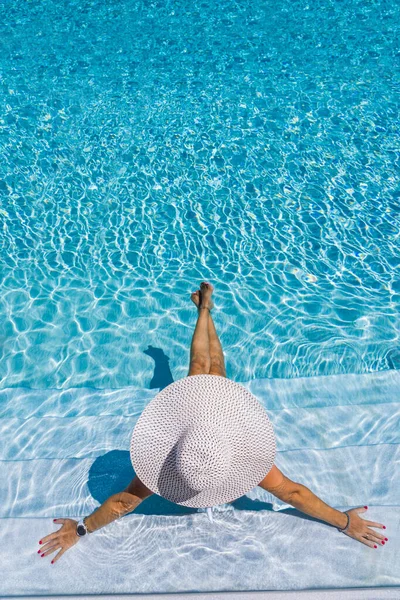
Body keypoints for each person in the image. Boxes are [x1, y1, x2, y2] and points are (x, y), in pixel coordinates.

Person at [38, 282, 388, 564]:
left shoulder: (157, 472)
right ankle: (204, 309)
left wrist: (81, 530)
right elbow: (292, 493)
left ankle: (203, 309)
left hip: (197, 422)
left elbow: (122, 503)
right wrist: (344, 522)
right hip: (220, 423)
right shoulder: (255, 466)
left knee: (204, 366)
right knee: (211, 365)